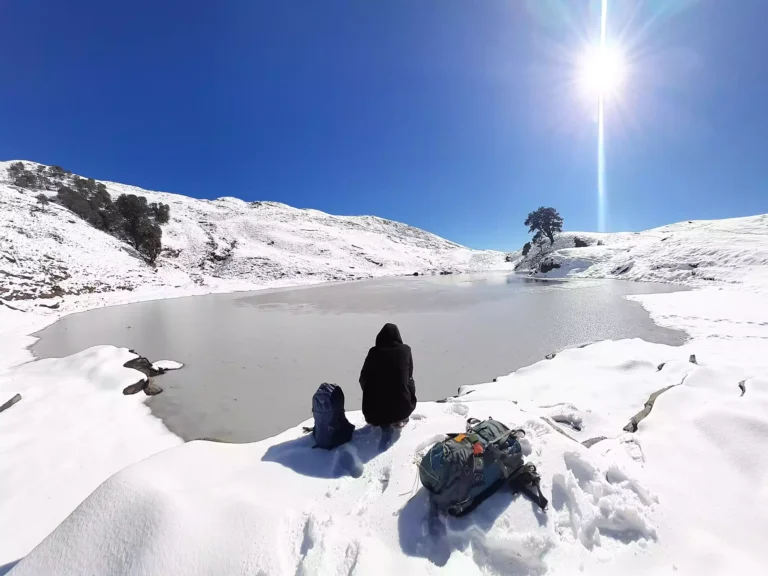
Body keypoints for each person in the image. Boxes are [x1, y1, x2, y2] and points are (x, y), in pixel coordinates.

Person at [359, 323, 417, 427]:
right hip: (402, 411)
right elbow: (409, 375)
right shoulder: (405, 351)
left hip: (373, 415)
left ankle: (382, 414)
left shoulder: (373, 353)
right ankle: (400, 416)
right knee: (409, 381)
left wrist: (373, 396)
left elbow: (363, 379)